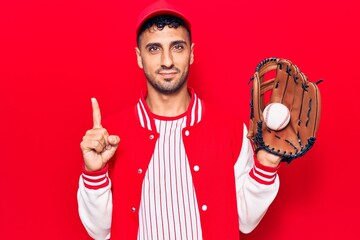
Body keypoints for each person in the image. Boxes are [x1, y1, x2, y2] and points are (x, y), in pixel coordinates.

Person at [77, 0, 282, 239]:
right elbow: (100, 231)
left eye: (177, 47)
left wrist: (266, 165)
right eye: (154, 48)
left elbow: (246, 221)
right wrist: (94, 171)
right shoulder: (109, 136)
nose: (167, 61)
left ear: (192, 53)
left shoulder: (230, 130)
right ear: (139, 57)